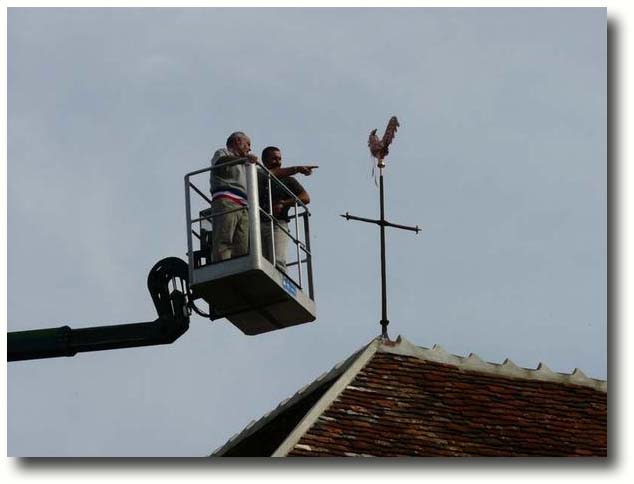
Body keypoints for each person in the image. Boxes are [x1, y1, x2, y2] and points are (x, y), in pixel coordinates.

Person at [259, 146, 317, 270]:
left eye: (279, 159)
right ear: (264, 160)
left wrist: (284, 203)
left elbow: (305, 198)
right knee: (260, 263)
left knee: (278, 261)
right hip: (257, 224)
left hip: (277, 225)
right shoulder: (258, 175)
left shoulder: (288, 180)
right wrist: (298, 169)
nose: (278, 162)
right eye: (274, 158)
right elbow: (271, 174)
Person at [209, 131, 259, 262]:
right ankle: (221, 267)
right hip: (227, 201)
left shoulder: (246, 164)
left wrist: (295, 170)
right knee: (224, 239)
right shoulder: (223, 153)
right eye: (248, 144)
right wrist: (244, 159)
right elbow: (220, 162)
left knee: (242, 246)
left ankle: (239, 271)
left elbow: (266, 176)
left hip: (244, 206)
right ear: (238, 141)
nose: (250, 148)